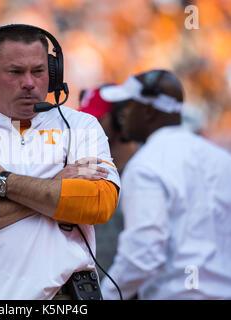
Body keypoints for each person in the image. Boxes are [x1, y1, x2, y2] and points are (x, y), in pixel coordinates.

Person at [0, 24, 120, 300]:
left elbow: (97, 204)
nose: (29, 82)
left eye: (39, 71)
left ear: (53, 74)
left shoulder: (82, 126)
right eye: (15, 72)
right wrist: (57, 186)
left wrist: (1, 182)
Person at [99, 69, 231, 299]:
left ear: (148, 111)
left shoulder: (146, 165)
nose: (122, 115)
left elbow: (143, 253)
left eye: (128, 106)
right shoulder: (220, 158)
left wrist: (107, 295)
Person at [78, 86, 137, 275]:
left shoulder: (146, 169)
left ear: (120, 119)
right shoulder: (79, 168)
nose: (86, 126)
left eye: (96, 119)